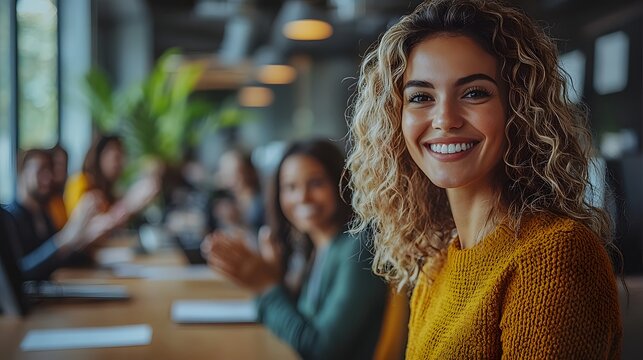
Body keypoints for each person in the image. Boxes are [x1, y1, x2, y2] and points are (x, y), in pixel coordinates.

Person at [346, 0, 622, 358]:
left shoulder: (555, 256)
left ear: (517, 108)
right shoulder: (437, 267)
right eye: (421, 97)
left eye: (474, 92)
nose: (445, 119)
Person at [203, 139, 388, 360]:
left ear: (342, 182)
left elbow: (320, 349)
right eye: (290, 187)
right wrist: (274, 281)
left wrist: (266, 287)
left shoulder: (358, 248)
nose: (302, 197)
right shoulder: (317, 246)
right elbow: (300, 323)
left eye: (317, 183)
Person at [2, 150, 115, 280]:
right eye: (41, 170)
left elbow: (60, 260)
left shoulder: (44, 214)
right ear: (22, 171)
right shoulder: (9, 218)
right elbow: (20, 272)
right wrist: (65, 238)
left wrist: (86, 238)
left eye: (50, 171)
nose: (48, 177)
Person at [64, 134, 125, 215]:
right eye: (115, 158)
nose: (118, 165)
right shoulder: (80, 182)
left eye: (120, 158)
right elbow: (79, 221)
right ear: (99, 157)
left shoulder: (109, 191)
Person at [216, 148, 265, 234]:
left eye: (237, 173)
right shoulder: (228, 204)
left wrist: (238, 222)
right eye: (227, 174)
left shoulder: (261, 203)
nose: (232, 180)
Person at [47, 144, 69, 230]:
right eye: (57, 164)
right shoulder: (44, 203)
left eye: (64, 165)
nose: (61, 169)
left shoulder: (61, 198)